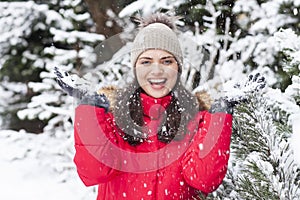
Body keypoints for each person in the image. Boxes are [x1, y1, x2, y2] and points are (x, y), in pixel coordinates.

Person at [55, 13, 265, 200]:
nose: (156, 71)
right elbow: (93, 173)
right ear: (135, 68)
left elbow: (204, 180)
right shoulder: (111, 117)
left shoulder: (197, 119)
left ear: (178, 68)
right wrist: (89, 110)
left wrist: (220, 113)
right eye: (146, 62)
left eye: (166, 61)